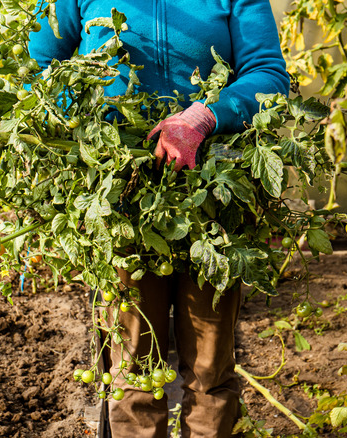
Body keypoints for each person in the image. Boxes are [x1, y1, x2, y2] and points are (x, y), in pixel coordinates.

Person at [29, 1, 290, 437]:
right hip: (123, 199)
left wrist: (205, 116)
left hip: (214, 196)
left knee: (210, 368)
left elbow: (267, 72)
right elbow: (40, 67)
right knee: (133, 367)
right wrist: (93, 120)